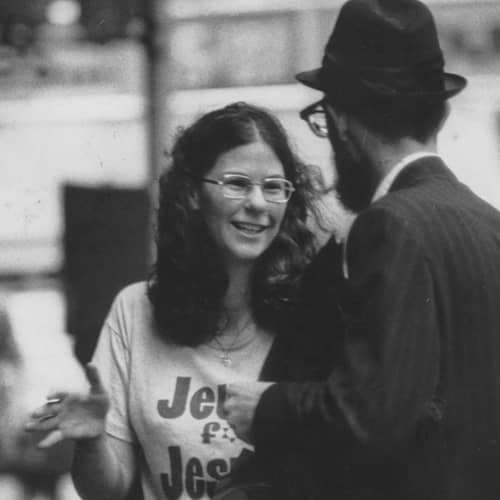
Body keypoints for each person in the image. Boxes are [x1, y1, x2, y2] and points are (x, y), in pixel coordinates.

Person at [223, 1, 500, 499]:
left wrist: (266, 407)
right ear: (439, 111)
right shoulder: (489, 223)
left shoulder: (388, 226)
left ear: (341, 118)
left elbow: (374, 414)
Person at [25, 102, 327, 500]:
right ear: (194, 194)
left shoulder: (312, 318)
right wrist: (92, 439)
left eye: (273, 187)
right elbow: (106, 491)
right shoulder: (134, 310)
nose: (257, 202)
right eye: (236, 183)